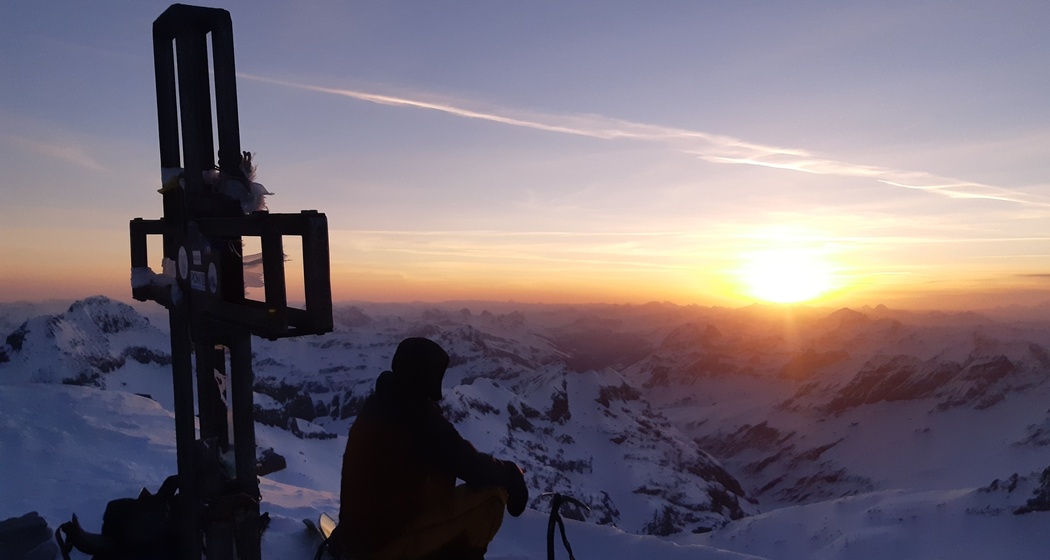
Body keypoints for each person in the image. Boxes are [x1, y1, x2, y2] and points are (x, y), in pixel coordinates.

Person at [329, 337, 528, 560]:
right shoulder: (418, 419)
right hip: (385, 546)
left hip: (355, 538)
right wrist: (511, 474)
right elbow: (472, 466)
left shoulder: (379, 403)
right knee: (494, 495)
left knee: (440, 473)